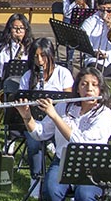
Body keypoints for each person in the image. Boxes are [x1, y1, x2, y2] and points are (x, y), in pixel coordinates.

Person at [18, 66, 111, 201]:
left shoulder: (106, 116)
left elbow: (81, 142)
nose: (88, 89)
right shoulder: (65, 107)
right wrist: (27, 117)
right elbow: (39, 134)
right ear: (77, 88)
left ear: (100, 90)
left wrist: (55, 116)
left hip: (93, 166)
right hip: (63, 161)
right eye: (83, 84)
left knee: (84, 195)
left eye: (94, 85)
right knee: (51, 191)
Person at [15, 38, 75, 178]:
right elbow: (22, 100)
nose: (40, 61)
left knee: (66, 142)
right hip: (34, 120)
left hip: (58, 120)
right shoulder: (28, 76)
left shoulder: (63, 73)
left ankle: (66, 177)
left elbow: (68, 100)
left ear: (51, 55)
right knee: (34, 143)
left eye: (43, 56)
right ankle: (35, 179)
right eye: (36, 56)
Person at [0, 14, 33, 110]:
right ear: (9, 29)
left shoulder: (32, 48)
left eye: (21, 28)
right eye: (15, 28)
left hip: (27, 87)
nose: (18, 31)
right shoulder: (1, 49)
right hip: (6, 88)